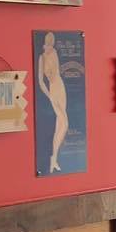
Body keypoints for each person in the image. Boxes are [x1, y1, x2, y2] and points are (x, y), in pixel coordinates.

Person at [37, 30, 68, 173]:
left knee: (59, 125)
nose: (50, 44)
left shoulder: (54, 52)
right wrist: (49, 95)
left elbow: (57, 74)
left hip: (61, 87)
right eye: (49, 42)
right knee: (64, 123)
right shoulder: (41, 58)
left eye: (52, 42)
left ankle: (54, 159)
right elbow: (41, 82)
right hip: (53, 90)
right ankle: (53, 158)